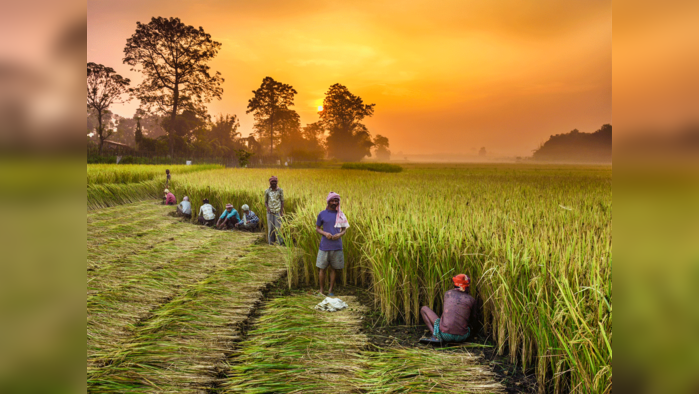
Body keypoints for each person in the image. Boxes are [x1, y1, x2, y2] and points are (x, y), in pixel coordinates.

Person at [419, 274, 476, 344]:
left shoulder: (447, 294)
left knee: (424, 308)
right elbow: (474, 319)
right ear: (466, 286)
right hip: (462, 337)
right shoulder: (471, 299)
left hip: (445, 335)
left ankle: (435, 336)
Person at [315, 192, 349, 296]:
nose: (334, 202)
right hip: (324, 246)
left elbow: (344, 230)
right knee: (322, 268)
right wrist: (325, 233)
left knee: (334, 269)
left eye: (336, 201)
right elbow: (317, 229)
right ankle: (321, 290)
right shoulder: (322, 214)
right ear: (328, 201)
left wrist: (340, 235)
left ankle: (330, 291)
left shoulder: (341, 215)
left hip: (337, 246)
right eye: (332, 200)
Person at [264, 176, 284, 245]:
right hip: (270, 213)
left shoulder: (280, 190)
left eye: (275, 181)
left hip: (277, 212)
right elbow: (265, 201)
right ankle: (271, 244)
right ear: (270, 182)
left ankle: (279, 244)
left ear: (277, 182)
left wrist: (281, 212)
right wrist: (267, 208)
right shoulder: (267, 191)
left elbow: (282, 201)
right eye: (272, 181)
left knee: (278, 229)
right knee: (270, 229)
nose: (274, 183)